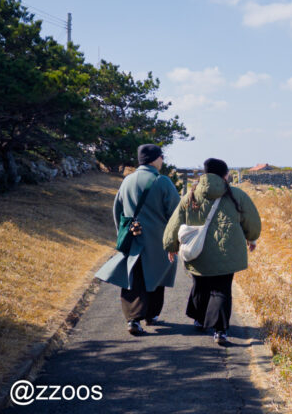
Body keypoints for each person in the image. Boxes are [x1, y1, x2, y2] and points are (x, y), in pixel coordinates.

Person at [163, 158, 261, 345]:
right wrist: (252, 237)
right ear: (225, 175)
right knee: (222, 290)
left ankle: (199, 319)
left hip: (197, 251)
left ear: (204, 174)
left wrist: (171, 246)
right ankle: (220, 330)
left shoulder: (190, 196)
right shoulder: (236, 195)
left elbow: (175, 222)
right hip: (227, 251)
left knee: (200, 284)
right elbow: (251, 219)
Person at [95, 144, 181, 335]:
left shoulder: (127, 180)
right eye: (161, 157)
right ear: (153, 159)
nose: (162, 160)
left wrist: (123, 232)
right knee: (156, 277)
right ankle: (151, 315)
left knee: (134, 278)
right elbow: (176, 213)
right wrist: (175, 240)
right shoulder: (163, 181)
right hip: (158, 240)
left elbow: (117, 210)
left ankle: (133, 319)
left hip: (134, 238)